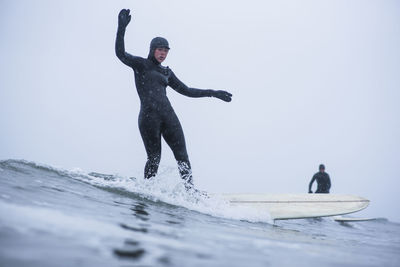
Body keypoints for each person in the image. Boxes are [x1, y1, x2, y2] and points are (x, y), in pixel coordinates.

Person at [115, 9, 232, 189]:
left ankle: (190, 192)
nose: (163, 53)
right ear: (152, 50)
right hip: (148, 118)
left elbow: (186, 90)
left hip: (169, 116)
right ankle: (146, 191)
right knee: (154, 158)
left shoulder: (167, 72)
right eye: (160, 50)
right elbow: (121, 54)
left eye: (165, 51)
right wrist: (121, 28)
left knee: (183, 157)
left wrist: (213, 92)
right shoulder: (141, 65)